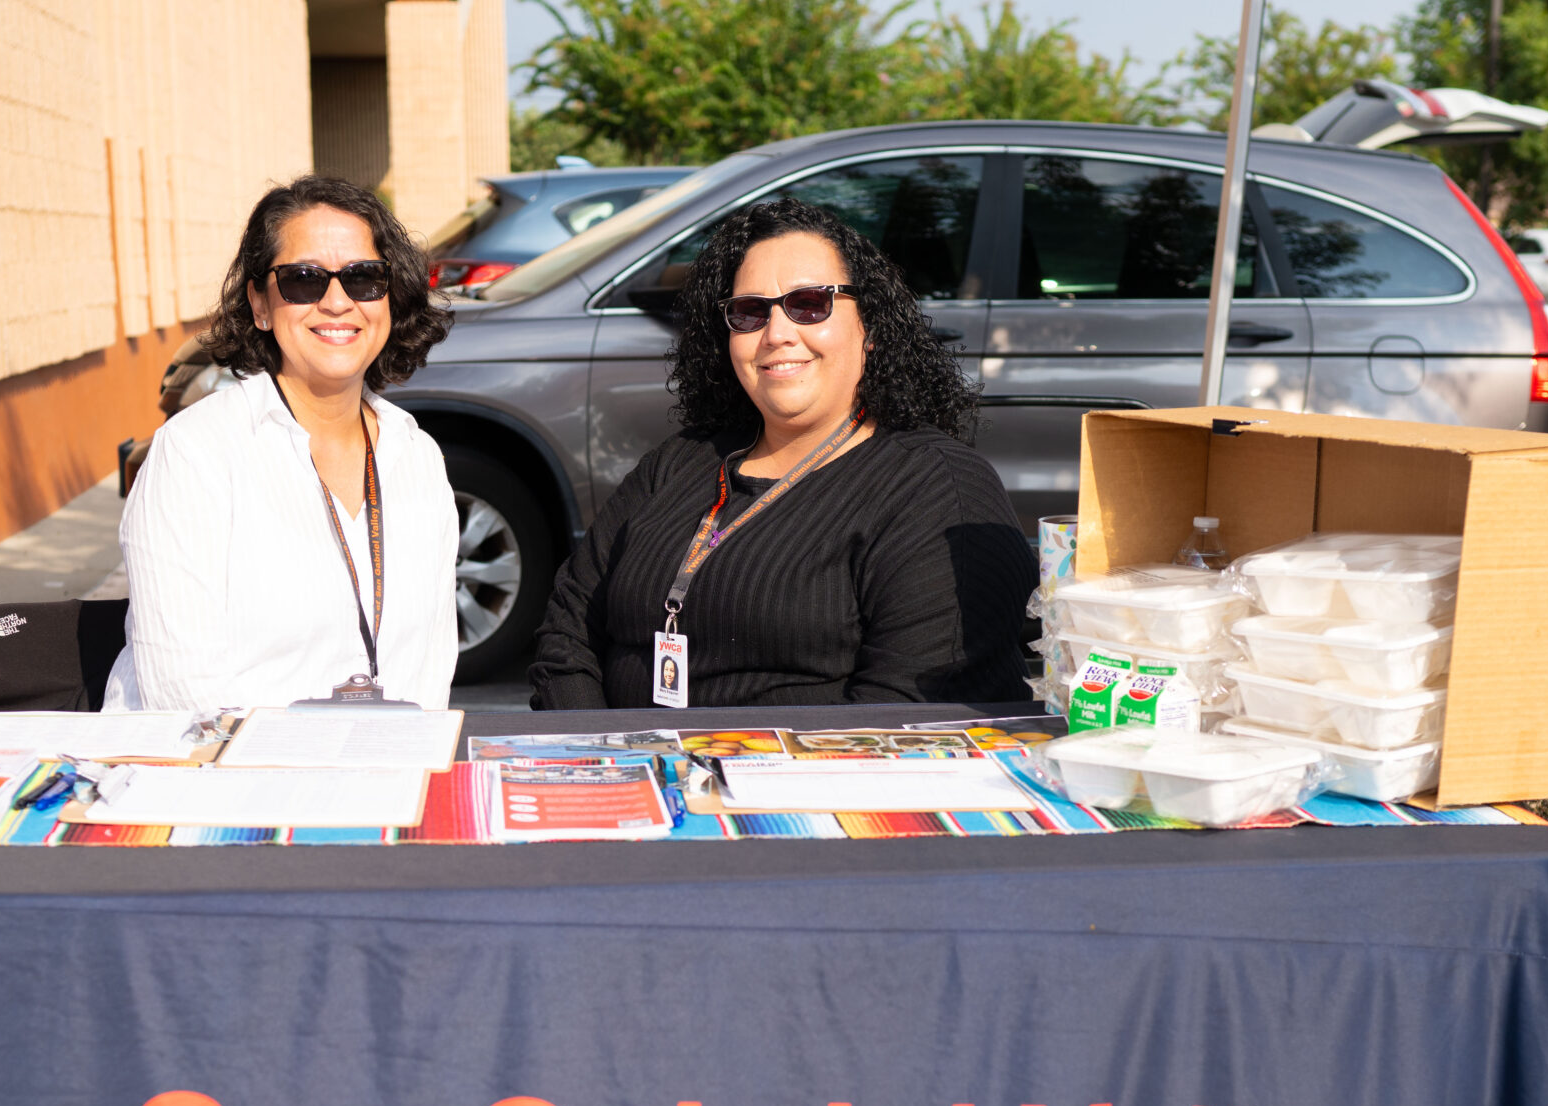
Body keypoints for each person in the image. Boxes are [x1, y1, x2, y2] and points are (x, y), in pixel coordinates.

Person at [529, 198, 1036, 709]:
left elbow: (906, 715)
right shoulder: (679, 461)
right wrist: (593, 746)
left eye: (810, 304)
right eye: (750, 312)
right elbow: (568, 634)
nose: (776, 334)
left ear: (872, 328)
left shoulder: (936, 487)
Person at [106, 176, 459, 711]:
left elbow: (428, 671)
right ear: (260, 304)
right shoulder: (195, 453)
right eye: (303, 280)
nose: (337, 302)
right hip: (215, 760)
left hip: (380, 757)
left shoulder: (418, 457)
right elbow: (182, 698)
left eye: (363, 277)